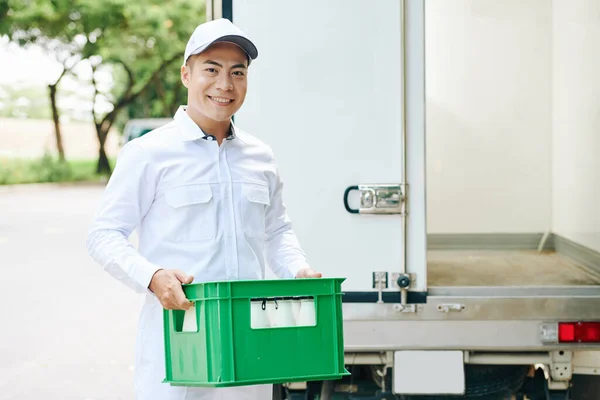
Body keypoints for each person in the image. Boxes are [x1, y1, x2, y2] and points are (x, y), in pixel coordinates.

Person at [86, 18, 321, 400]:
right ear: (186, 74)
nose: (224, 85)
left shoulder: (260, 157)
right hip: (177, 341)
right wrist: (152, 276)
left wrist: (298, 269)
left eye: (237, 72)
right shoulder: (149, 153)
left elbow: (276, 231)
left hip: (249, 341)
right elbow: (103, 235)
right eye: (211, 69)